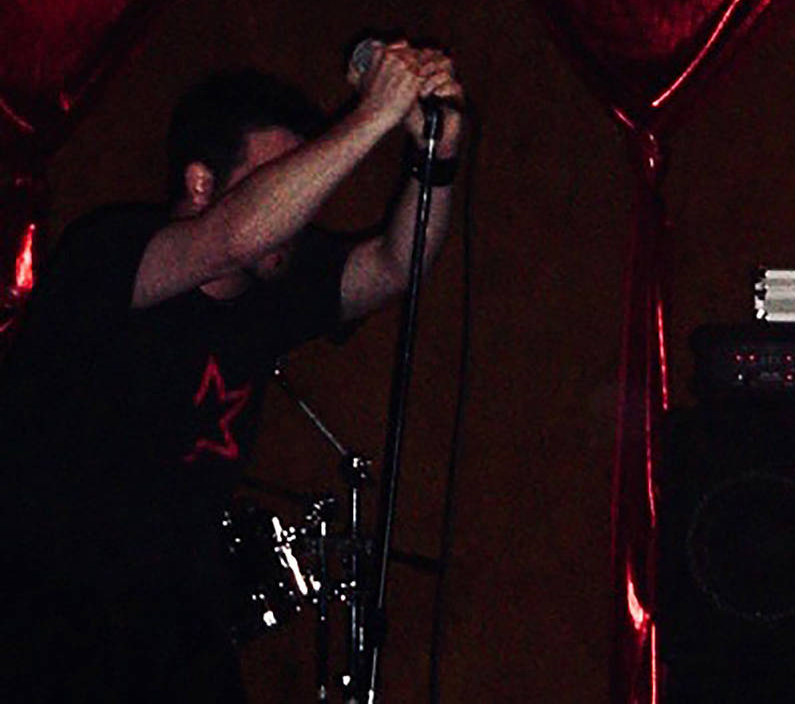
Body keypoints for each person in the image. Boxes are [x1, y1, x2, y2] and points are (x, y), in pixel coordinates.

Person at [0, 37, 463, 702]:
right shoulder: (113, 252)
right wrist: (371, 117)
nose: (298, 208)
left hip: (178, 622)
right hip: (50, 615)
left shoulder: (271, 286)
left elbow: (395, 265)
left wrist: (436, 159)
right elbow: (234, 235)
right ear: (201, 183)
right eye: (280, 180)